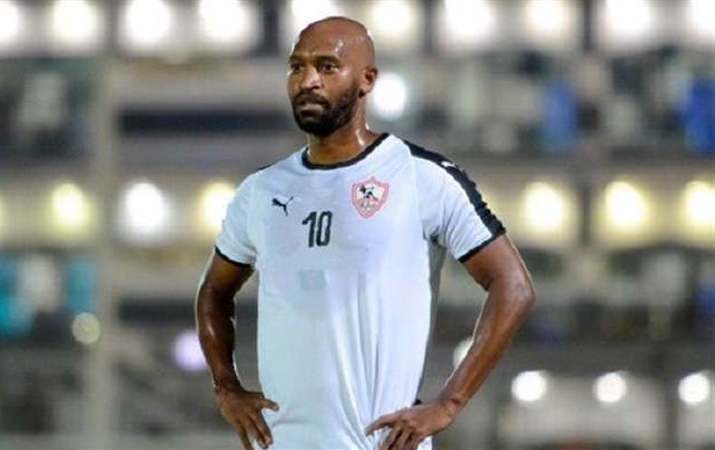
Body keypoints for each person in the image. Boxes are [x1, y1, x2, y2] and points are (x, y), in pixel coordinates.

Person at [195, 17, 536, 450]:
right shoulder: (261, 191)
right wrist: (226, 386)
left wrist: (448, 403)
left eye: (327, 67)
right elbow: (213, 292)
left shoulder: (420, 176)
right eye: (297, 67)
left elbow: (513, 286)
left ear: (367, 80)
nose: (308, 81)